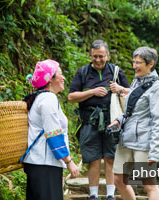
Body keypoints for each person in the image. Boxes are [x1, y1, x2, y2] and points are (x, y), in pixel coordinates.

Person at [68, 40, 130, 200]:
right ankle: (93, 195)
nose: (97, 60)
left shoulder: (116, 71)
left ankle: (110, 195)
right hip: (89, 121)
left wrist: (120, 89)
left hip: (113, 121)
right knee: (93, 159)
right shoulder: (83, 73)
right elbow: (71, 97)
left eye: (101, 56)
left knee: (111, 158)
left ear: (107, 55)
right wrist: (92, 92)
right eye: (94, 56)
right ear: (91, 56)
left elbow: (131, 94)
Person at [108, 47, 159, 200]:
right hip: (126, 139)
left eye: (139, 62)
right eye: (134, 62)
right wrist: (119, 120)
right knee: (118, 180)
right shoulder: (135, 82)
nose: (134, 65)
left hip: (144, 142)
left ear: (151, 64)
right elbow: (131, 112)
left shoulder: (158, 88)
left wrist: (155, 151)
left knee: (149, 184)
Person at [23, 59, 79, 200]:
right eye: (60, 74)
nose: (64, 78)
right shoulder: (48, 100)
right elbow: (53, 134)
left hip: (41, 163)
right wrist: (68, 161)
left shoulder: (42, 98)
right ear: (50, 79)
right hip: (44, 165)